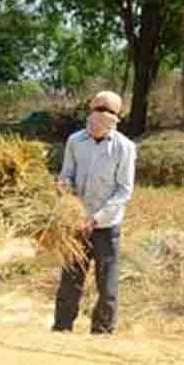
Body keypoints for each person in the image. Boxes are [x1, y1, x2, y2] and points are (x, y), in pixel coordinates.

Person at [52, 90, 137, 335]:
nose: (101, 114)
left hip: (106, 226)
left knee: (107, 284)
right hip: (76, 223)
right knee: (70, 279)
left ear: (116, 117)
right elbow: (66, 174)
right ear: (90, 111)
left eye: (108, 111)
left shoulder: (125, 148)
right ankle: (62, 328)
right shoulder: (75, 141)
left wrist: (96, 218)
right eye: (97, 108)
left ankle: (102, 331)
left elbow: (123, 191)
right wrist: (64, 188)